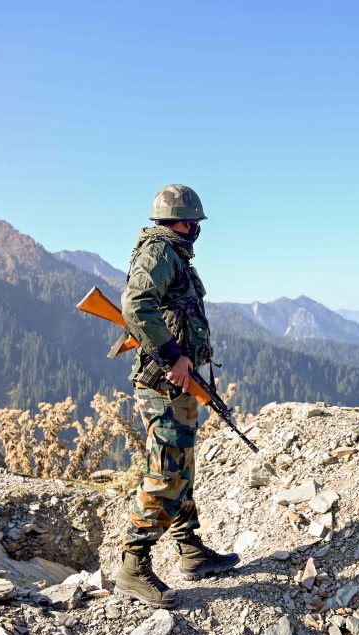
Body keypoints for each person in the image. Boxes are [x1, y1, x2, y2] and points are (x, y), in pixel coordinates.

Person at [114, 184, 240, 609]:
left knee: (182, 467)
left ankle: (188, 550)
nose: (196, 231)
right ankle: (132, 566)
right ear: (185, 223)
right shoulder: (159, 254)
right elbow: (135, 305)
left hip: (179, 384)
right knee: (166, 473)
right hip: (163, 385)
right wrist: (172, 357)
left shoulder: (170, 254)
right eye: (196, 224)